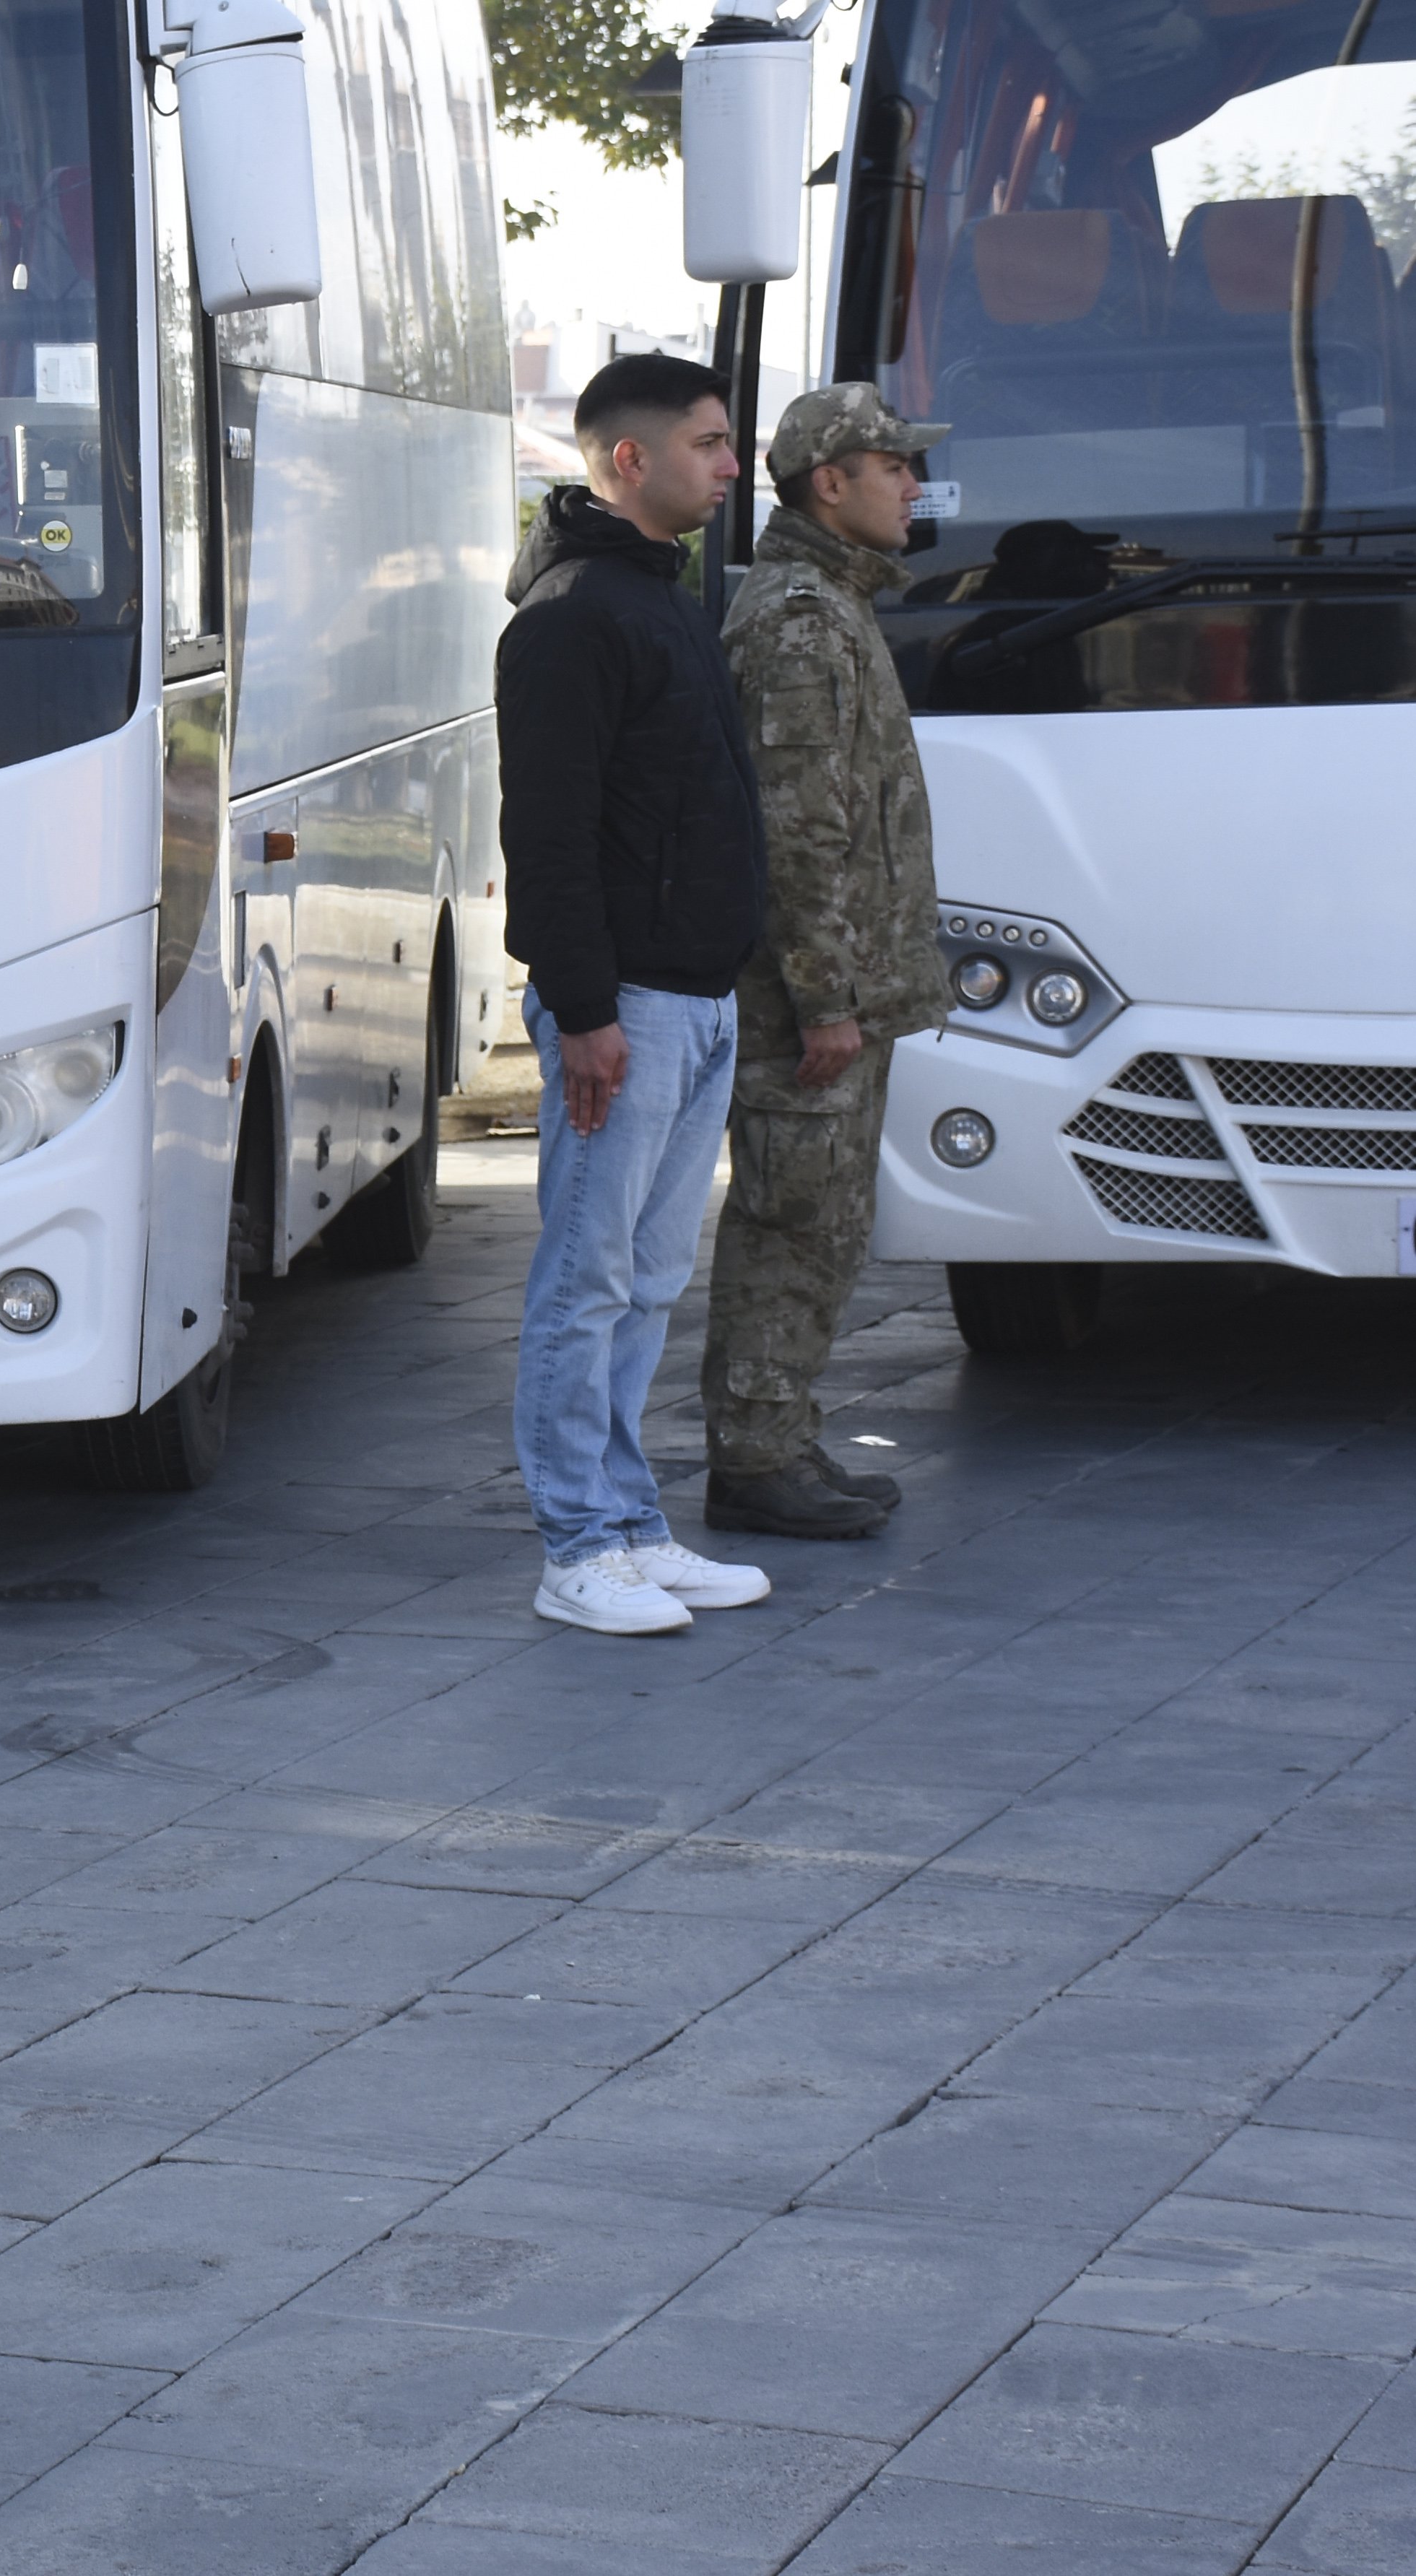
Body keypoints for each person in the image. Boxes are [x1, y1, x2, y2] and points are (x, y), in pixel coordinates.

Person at [495, 352, 778, 1637]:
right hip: (628, 1009)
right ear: (628, 459)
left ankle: (627, 1523)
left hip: (693, 996)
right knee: (584, 1279)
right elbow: (545, 836)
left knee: (648, 1275)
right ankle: (573, 1548)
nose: (730, 467)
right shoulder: (568, 618)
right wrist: (585, 1009)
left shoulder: (658, 598)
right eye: (710, 444)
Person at [700, 384, 952, 1540]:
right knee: (793, 1219)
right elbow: (802, 836)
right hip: (809, 1007)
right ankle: (755, 1458)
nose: (913, 482)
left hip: (834, 995)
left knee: (826, 1221)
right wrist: (828, 1000)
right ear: (827, 482)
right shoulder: (803, 621)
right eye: (891, 462)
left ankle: (783, 1437)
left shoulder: (832, 605)